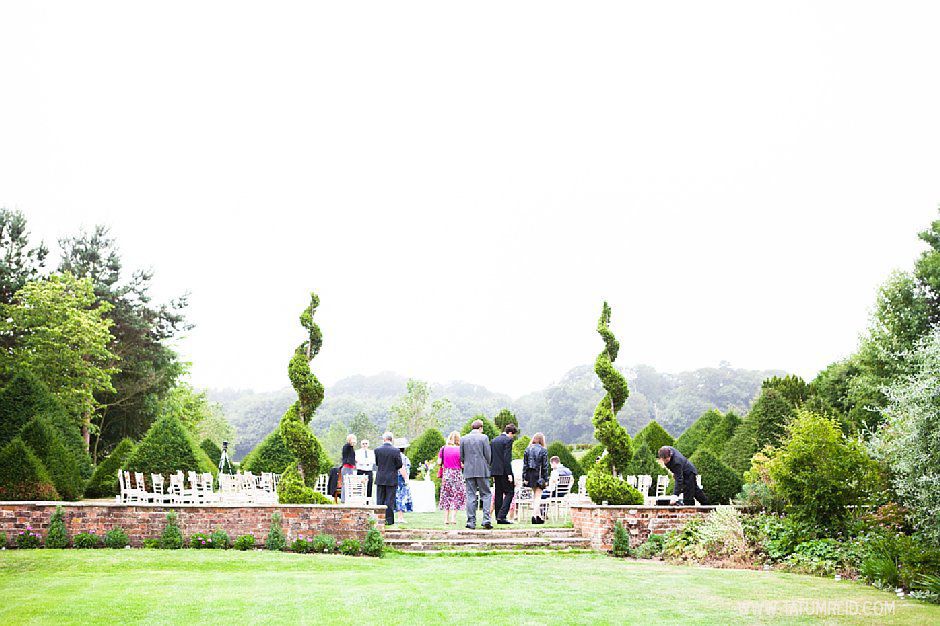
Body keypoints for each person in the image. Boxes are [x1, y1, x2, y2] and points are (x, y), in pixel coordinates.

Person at [460, 419, 493, 530]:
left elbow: (462, 456)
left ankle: (471, 522)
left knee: (470, 495)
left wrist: (467, 463)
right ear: (481, 428)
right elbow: (488, 455)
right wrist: (487, 465)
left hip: (469, 470)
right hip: (482, 470)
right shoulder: (484, 437)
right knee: (486, 494)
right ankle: (486, 519)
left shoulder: (463, 438)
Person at [489, 423, 517, 524]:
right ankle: (502, 516)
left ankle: (497, 517)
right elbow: (507, 458)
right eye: (513, 435)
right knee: (510, 492)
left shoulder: (494, 440)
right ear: (510, 433)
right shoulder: (508, 440)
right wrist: (509, 473)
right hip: (504, 471)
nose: (512, 437)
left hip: (495, 471)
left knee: (498, 494)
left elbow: (491, 457)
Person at [438, 431, 466, 525]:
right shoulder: (460, 450)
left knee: (446, 495)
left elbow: (439, 462)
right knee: (456, 495)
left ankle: (446, 519)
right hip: (457, 474)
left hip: (447, 474)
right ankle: (453, 518)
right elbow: (462, 465)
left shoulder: (443, 449)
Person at [374, 432, 403, 525]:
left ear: (384, 439)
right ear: (392, 439)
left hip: (380, 477)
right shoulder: (396, 451)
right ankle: (389, 520)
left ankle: (379, 519)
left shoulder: (377, 450)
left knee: (380, 499)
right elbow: (399, 464)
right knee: (390, 500)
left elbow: (377, 463)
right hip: (391, 478)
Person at [523, 432, 550, 524]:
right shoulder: (543, 450)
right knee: (538, 496)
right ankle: (534, 516)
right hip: (539, 475)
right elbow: (545, 466)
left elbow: (525, 465)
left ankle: (538, 517)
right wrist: (546, 479)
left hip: (530, 475)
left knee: (535, 495)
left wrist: (525, 478)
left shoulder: (528, 449)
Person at [394, 438, 413, 522]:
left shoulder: (396, 455)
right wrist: (406, 479)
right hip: (401, 478)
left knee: (398, 497)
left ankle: (399, 517)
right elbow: (402, 468)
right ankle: (400, 517)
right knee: (401, 497)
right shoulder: (402, 457)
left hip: (396, 478)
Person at [340, 434, 357, 503]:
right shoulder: (347, 446)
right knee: (346, 483)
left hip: (350, 467)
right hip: (347, 467)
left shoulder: (351, 448)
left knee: (349, 483)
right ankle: (343, 499)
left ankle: (347, 498)